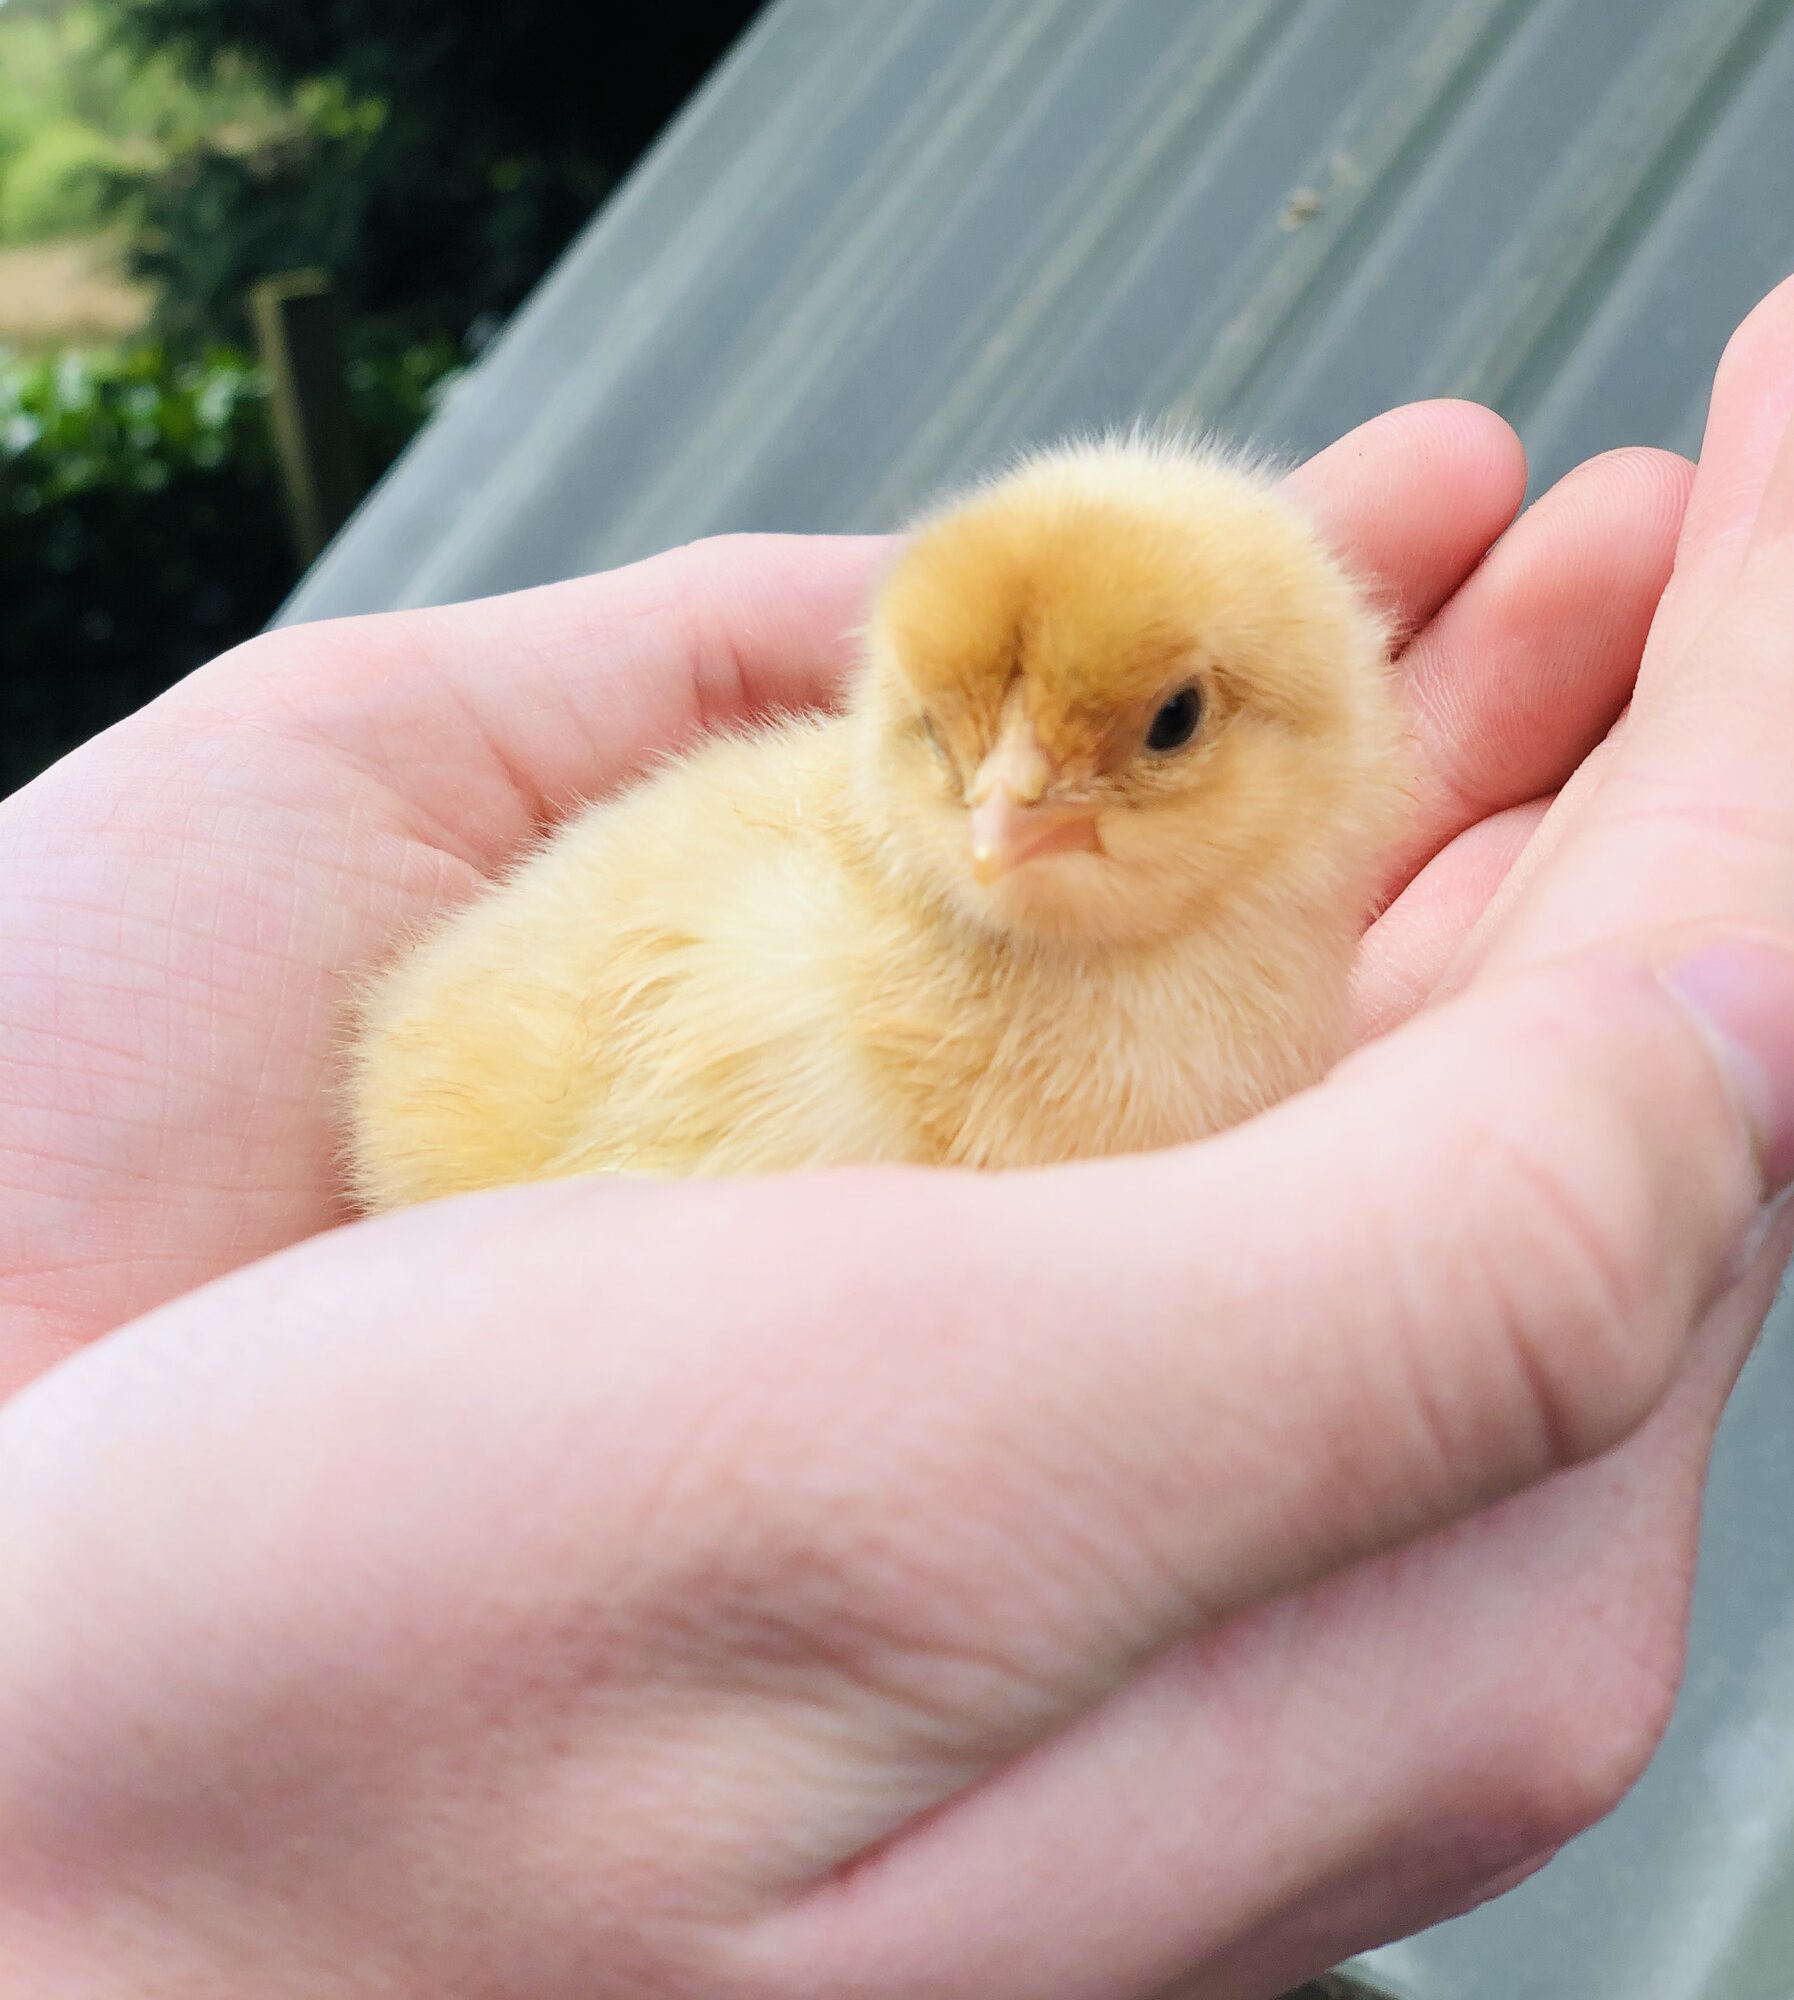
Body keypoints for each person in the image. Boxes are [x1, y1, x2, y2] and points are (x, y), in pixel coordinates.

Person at [3, 271, 1794, 2000]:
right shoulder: (830, 1034)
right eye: (950, 738)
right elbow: (451, 1115)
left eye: (1160, 729)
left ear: (1312, 715)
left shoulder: (1224, 953)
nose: (1008, 804)